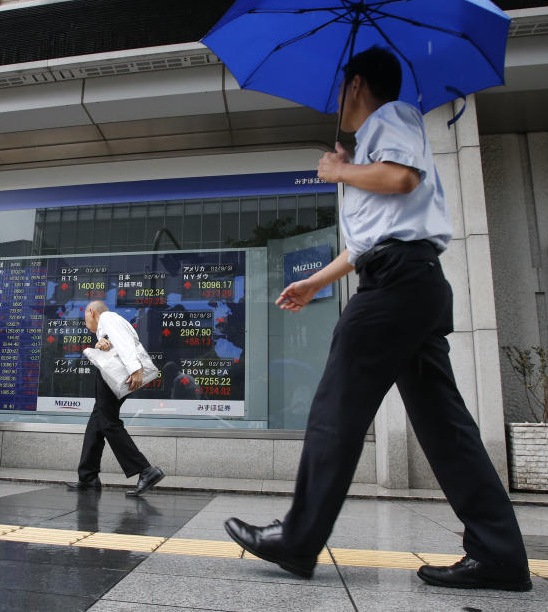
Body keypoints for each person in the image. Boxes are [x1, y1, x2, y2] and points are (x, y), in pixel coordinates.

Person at [224, 46, 531, 592]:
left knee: (335, 409)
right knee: (445, 427)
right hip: (407, 282)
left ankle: (298, 539)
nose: (338, 100)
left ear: (356, 83)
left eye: (342, 88)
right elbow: (371, 240)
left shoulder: (393, 116)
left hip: (397, 286)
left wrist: (341, 168)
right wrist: (317, 280)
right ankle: (499, 553)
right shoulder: (372, 145)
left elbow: (403, 179)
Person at [66, 300, 165, 496]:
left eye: (86, 318)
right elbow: (116, 345)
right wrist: (101, 343)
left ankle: (146, 470)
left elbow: (125, 342)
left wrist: (135, 369)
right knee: (97, 421)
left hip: (120, 375)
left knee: (107, 421)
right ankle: (88, 477)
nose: (86, 322)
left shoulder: (109, 317)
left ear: (91, 312)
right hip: (115, 374)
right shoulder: (107, 326)